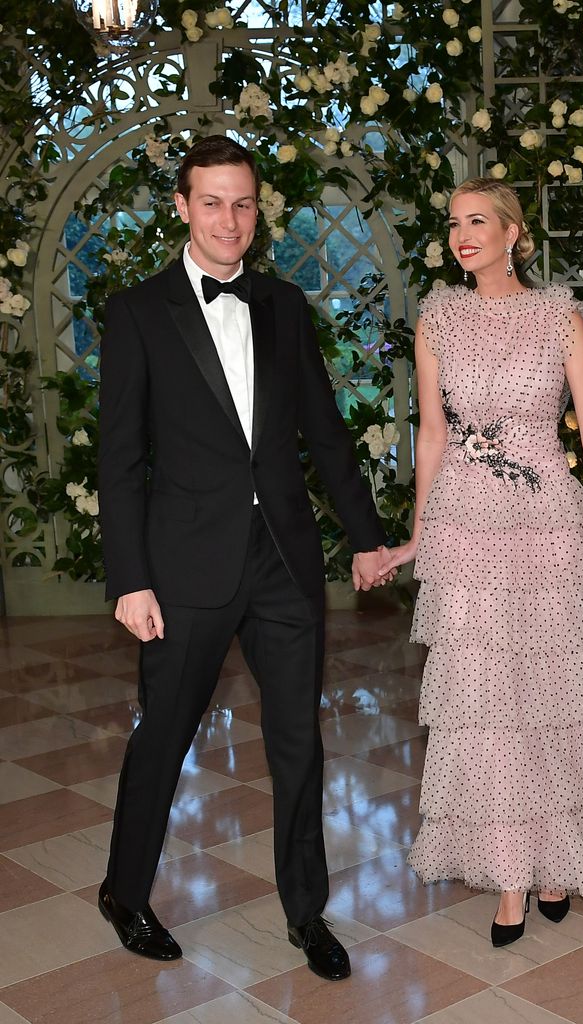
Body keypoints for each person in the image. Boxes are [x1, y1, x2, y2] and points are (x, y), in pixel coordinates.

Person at [97, 134, 394, 980]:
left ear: (258, 212)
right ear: (184, 207)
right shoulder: (138, 312)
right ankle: (124, 889)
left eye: (245, 203)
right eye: (214, 202)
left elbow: (326, 434)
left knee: (300, 741)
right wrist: (131, 580)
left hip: (285, 562)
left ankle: (307, 913)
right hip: (184, 567)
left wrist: (366, 537)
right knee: (165, 737)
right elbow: (119, 459)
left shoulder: (287, 304)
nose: (231, 219)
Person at [379, 177, 583, 947]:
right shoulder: (439, 319)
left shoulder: (560, 317)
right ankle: (511, 875)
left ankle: (556, 858)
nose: (462, 235)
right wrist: (420, 533)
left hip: (547, 524)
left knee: (547, 694)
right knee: (482, 700)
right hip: (464, 525)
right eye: (453, 222)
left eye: (478, 220)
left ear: (514, 233)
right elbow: (430, 438)